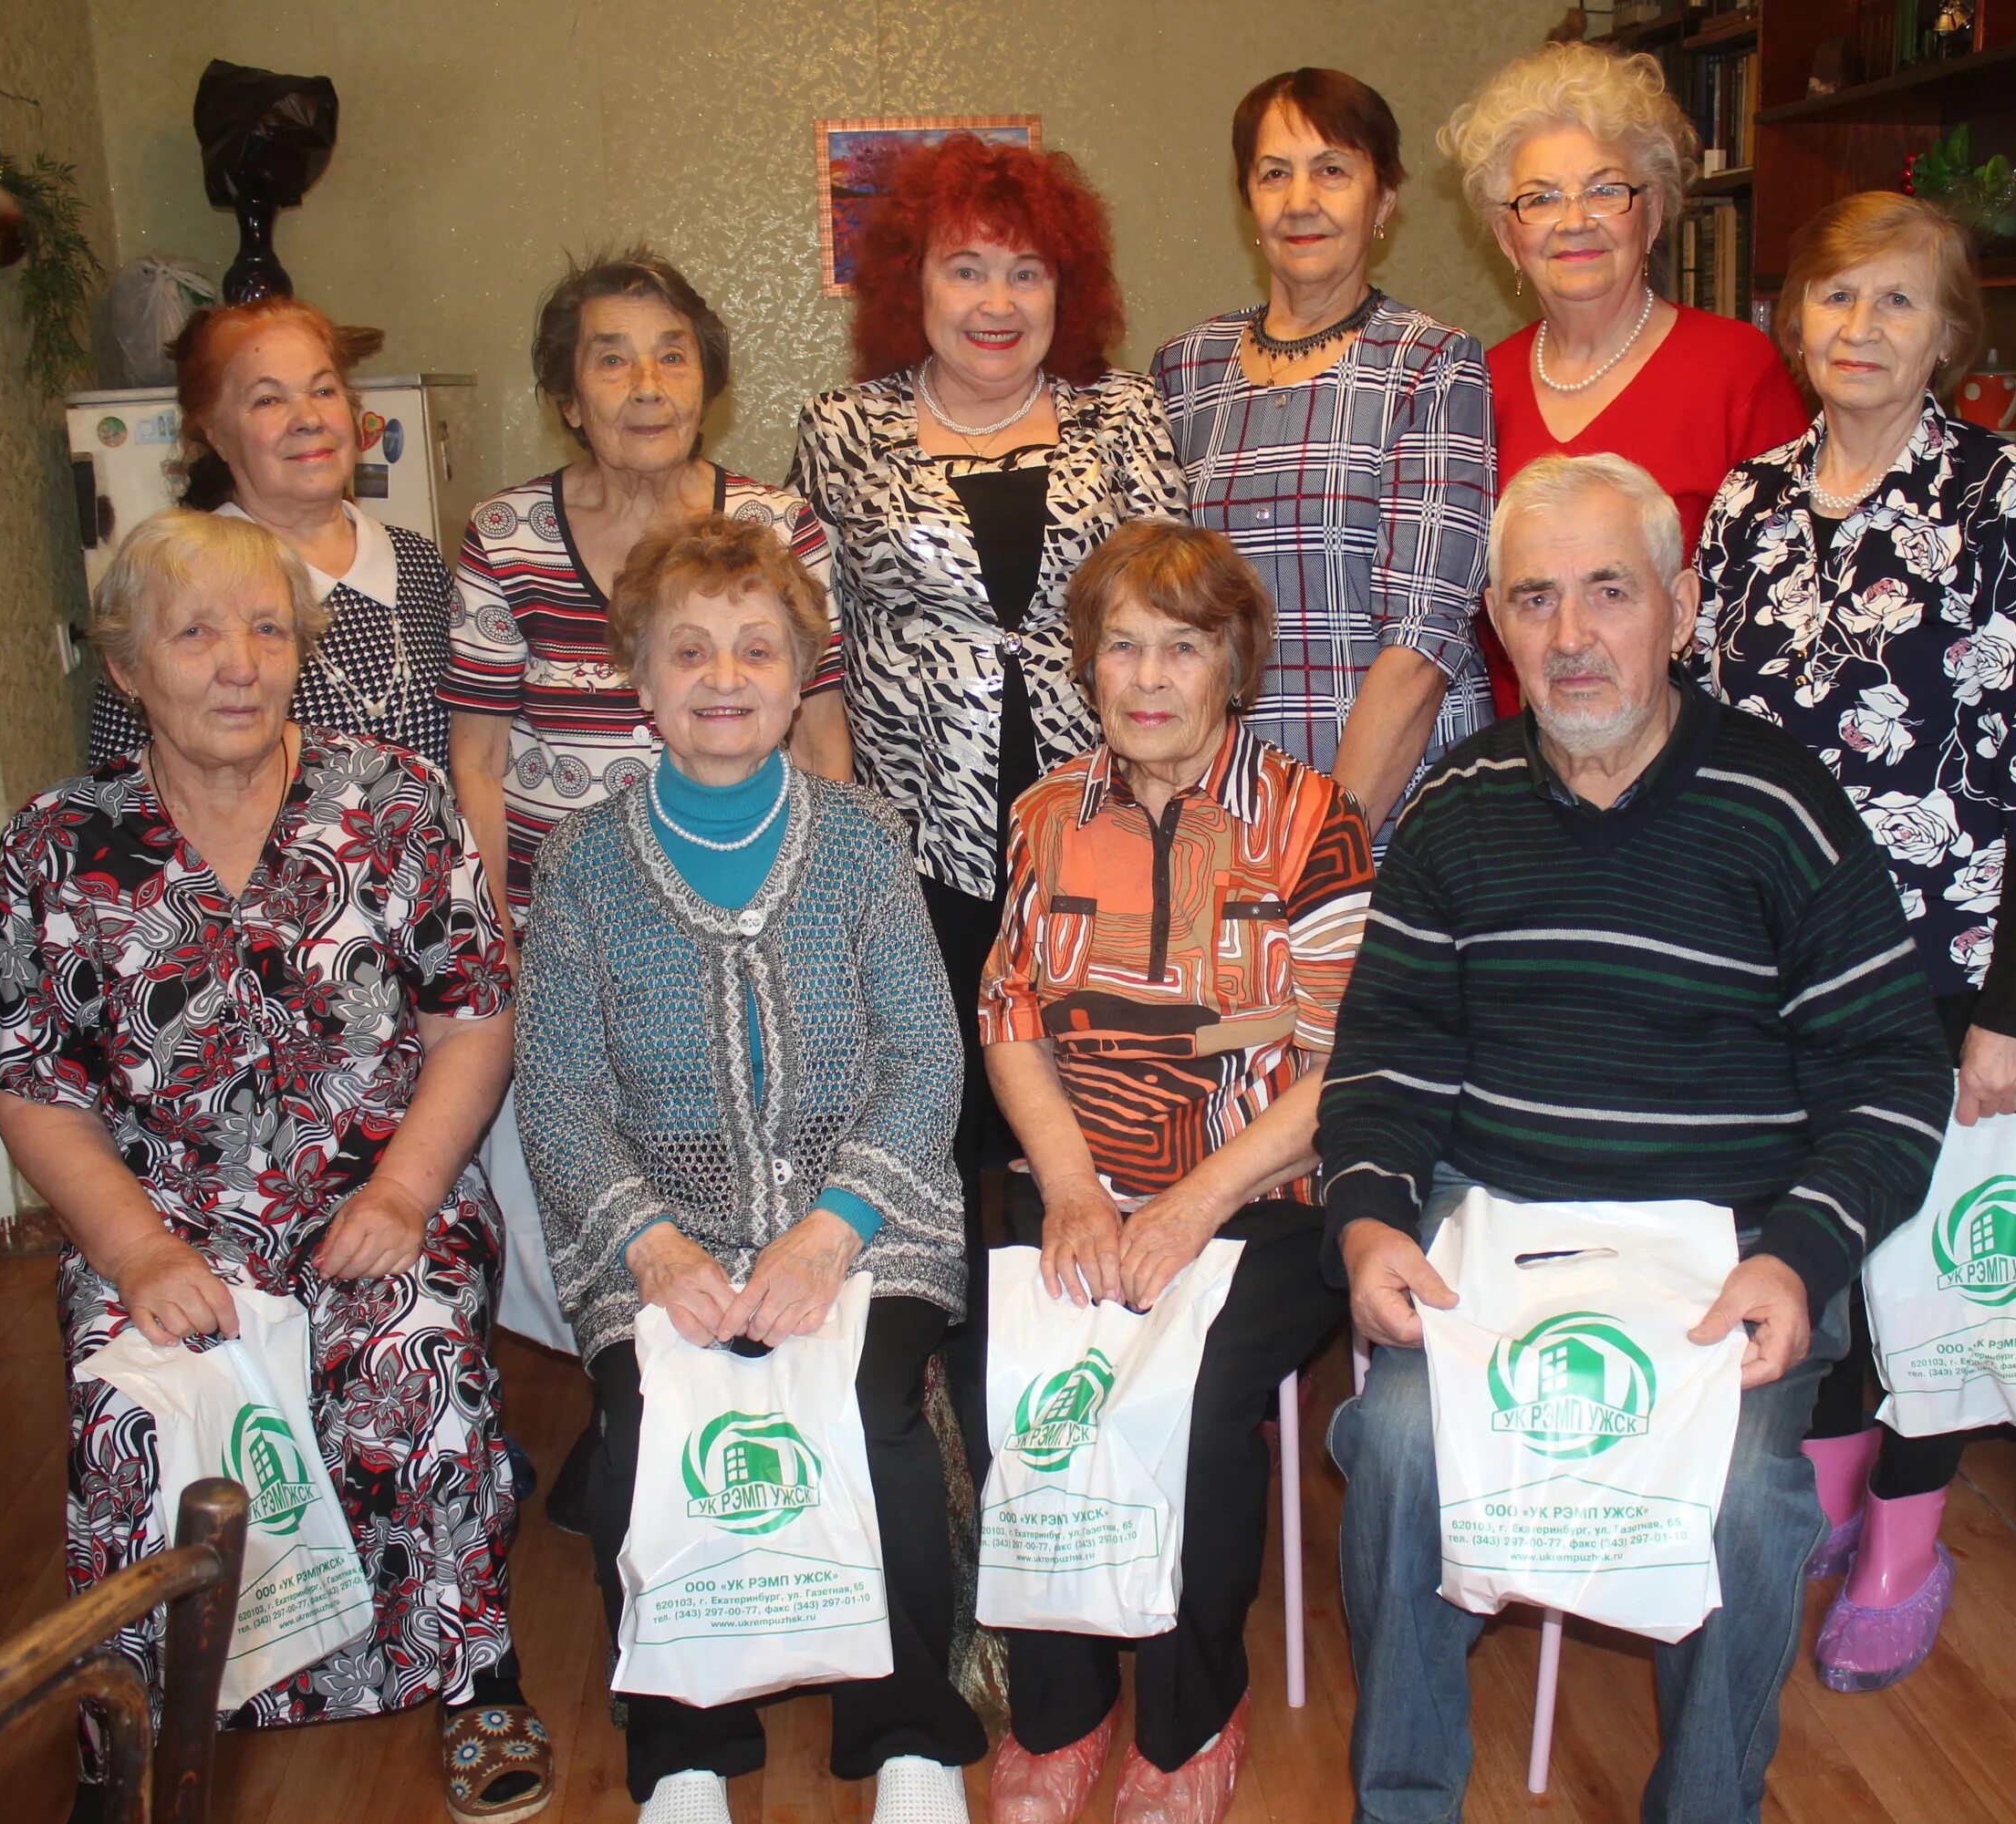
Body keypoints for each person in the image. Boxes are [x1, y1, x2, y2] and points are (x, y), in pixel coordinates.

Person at [1318, 452, 1951, 1823]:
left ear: (1677, 604)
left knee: (1748, 1498)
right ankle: (1405, 1802)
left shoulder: (1781, 808)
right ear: (1494, 622)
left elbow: (1894, 1070)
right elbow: (1384, 1060)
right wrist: (1369, 1220)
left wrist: (1801, 1256)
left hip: (1729, 1253)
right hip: (1503, 1238)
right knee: (1402, 1441)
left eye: (1609, 592)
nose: (1571, 637)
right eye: (1535, 600)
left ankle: (1706, 1807)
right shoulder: (1453, 812)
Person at [0, 511, 550, 1824]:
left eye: (268, 629)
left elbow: (474, 1017)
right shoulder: (58, 844)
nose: (239, 662)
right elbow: (36, 1087)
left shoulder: (393, 800)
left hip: (376, 1190)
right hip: (168, 1219)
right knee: (133, 1408)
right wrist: (136, 1254)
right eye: (195, 633)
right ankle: (136, 1730)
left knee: (412, 1356)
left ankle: (479, 1678)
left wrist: (405, 1193)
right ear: (126, 667)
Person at [1696, 191, 2016, 1694]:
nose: (1860, 330)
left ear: (1949, 333)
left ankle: (1908, 1533)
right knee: (1812, 1223)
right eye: (1835, 298)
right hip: (1767, 950)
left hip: (1944, 959)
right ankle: (1832, 1457)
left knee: (1926, 1255)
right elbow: (1706, 738)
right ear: (1793, 318)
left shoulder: (2011, 497)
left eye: (1898, 303)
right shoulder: (1745, 501)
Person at [514, 514, 982, 1824]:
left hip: (867, 1219)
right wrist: (658, 1252)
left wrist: (828, 1234)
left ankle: (908, 1735)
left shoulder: (863, 840)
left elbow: (925, 1062)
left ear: (798, 675)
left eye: (758, 650)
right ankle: (681, 1750)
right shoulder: (583, 866)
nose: (727, 678)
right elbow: (557, 1093)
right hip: (658, 1232)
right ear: (641, 680)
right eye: (692, 652)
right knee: (639, 1430)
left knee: (875, 1417)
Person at [789, 133, 1185, 1470]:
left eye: (1028, 271)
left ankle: (1089, 1402)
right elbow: (819, 652)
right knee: (946, 1122)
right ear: (915, 283)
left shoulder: (1123, 417)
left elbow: (1173, 616)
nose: (999, 302)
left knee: (1093, 1114)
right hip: (922, 845)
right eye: (967, 269)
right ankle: (952, 1418)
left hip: (1099, 834)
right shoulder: (842, 434)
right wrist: (839, 835)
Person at [978, 522, 1369, 1824]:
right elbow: (1012, 1017)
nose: (1147, 678)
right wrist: (1078, 1192)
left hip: (1264, 1201)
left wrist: (1196, 1206)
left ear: (1232, 664)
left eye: (1180, 648)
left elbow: (1341, 1061)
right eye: (1121, 647)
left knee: (1187, 1400)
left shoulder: (1314, 822)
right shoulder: (1043, 815)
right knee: (1032, 1374)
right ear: (1087, 667)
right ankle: (1058, 1705)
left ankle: (1193, 1713)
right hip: (1086, 1177)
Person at [442, 247, 844, 1374]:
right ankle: (624, 1370)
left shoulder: (776, 523)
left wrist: (836, 911)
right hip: (570, 922)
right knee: (581, 1154)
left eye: (673, 355)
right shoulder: (506, 536)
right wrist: (498, 936)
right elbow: (475, 755)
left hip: (747, 904)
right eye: (611, 360)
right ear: (571, 397)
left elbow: (819, 732)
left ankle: (746, 1362)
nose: (647, 382)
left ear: (707, 381)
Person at [1153, 69, 1492, 843]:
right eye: (1275, 174)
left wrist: (1321, 847)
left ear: (1384, 200)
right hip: (1223, 806)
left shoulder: (1433, 364)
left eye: (1333, 170)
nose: (1301, 199)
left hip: (1398, 807)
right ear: (1250, 201)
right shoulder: (1183, 371)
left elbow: (1422, 642)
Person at [1439, 40, 1808, 719]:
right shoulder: (1472, 386)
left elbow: (1790, 609)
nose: (1574, 221)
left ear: (1655, 212)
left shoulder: (1735, 369)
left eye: (1606, 190)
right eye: (1541, 198)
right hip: (1523, 770)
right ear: (1505, 235)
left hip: (1698, 763)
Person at [88, 295, 464, 770]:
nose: (307, 418)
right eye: (268, 399)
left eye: (324, 391)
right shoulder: (172, 583)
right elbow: (120, 797)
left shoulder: (418, 561)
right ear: (215, 433)